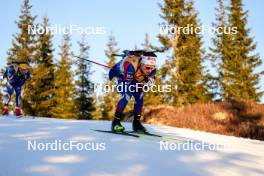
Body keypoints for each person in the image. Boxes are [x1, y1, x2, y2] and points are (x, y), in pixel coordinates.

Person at [109, 51, 157, 133]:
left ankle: (136, 123)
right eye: (147, 68)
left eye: (152, 68)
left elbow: (147, 83)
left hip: (134, 78)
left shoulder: (152, 70)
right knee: (127, 94)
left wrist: (146, 84)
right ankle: (115, 122)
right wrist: (142, 84)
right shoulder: (131, 66)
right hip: (118, 76)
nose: (149, 70)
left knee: (140, 96)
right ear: (142, 64)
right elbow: (128, 85)